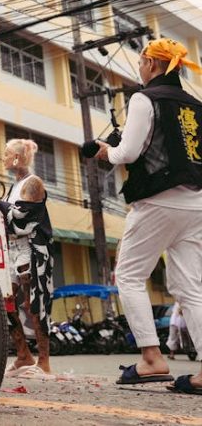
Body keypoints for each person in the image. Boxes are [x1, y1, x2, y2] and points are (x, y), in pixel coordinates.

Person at [95, 38, 202, 393]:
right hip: (196, 203)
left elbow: (127, 152)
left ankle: (152, 359)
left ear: (152, 64)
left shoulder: (144, 98)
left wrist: (105, 152)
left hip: (158, 200)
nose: (139, 68)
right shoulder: (196, 104)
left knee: (128, 274)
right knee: (190, 288)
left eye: (141, 62)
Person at [0, 138, 54, 377]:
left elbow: (22, 219)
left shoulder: (33, 183)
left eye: (7, 154)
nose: (4, 158)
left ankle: (44, 362)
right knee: (4, 301)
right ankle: (23, 355)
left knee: (34, 304)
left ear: (18, 158)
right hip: (12, 249)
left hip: (31, 249)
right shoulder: (14, 186)